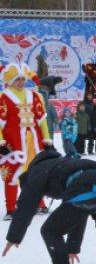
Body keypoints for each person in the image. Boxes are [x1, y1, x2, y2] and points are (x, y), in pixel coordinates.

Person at [0, 64, 53, 220]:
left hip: (34, 143)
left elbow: (42, 120)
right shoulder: (3, 98)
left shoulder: (35, 96)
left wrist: (46, 139)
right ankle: (11, 208)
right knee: (11, 175)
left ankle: (39, 203)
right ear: (10, 81)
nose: (21, 82)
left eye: (23, 79)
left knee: (36, 174)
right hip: (13, 144)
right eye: (18, 79)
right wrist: (1, 143)